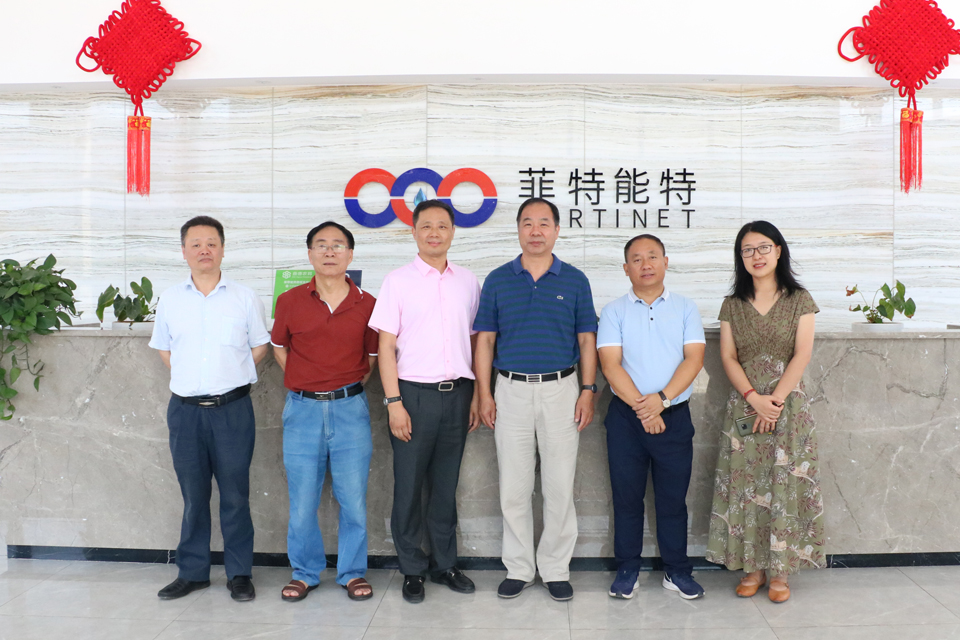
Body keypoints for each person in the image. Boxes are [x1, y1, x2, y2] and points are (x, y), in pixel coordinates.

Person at [474, 197, 598, 602]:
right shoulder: (498, 279)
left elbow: (586, 340)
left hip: (562, 389)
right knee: (514, 488)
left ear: (557, 230)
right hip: (509, 390)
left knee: (559, 486)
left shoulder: (575, 280)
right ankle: (520, 569)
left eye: (544, 223)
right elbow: (485, 340)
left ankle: (556, 569)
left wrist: (588, 390)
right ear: (518, 230)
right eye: (527, 223)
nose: (536, 231)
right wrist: (484, 393)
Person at [150, 216, 271, 602]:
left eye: (211, 243)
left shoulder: (244, 297)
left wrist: (230, 375)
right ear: (184, 251)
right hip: (185, 412)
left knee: (235, 494)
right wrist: (192, 380)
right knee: (193, 495)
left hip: (232, 410)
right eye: (196, 244)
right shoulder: (170, 299)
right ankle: (193, 572)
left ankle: (239, 573)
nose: (204, 250)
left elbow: (260, 346)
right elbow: (165, 350)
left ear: (222, 249)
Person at [705, 220, 825, 603]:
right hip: (745, 405)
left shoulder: (799, 299)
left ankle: (781, 571)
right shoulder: (732, 304)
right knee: (747, 485)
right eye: (747, 250)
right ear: (740, 258)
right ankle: (752, 568)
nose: (755, 256)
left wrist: (773, 403)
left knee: (782, 483)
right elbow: (727, 356)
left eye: (763, 247)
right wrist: (753, 397)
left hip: (787, 408)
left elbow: (802, 354)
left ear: (778, 251)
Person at [368, 199, 481, 604]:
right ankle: (412, 569)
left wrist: (477, 394)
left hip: (458, 394)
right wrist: (394, 402)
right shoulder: (397, 281)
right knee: (409, 486)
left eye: (442, 226)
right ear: (413, 232)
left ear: (453, 232)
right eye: (427, 226)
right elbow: (386, 346)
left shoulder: (468, 281)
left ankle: (445, 564)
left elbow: (475, 342)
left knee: (446, 486)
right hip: (412, 396)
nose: (435, 233)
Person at [271, 221, 378, 603]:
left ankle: (352, 572)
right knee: (302, 502)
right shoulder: (290, 301)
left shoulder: (368, 303)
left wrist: (344, 387)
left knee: (353, 500)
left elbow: (372, 356)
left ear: (350, 254)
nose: (329, 251)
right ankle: (304, 572)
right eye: (321, 245)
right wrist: (307, 381)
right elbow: (279, 348)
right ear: (310, 254)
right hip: (302, 411)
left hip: (350, 410)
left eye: (337, 245)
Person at [597, 234, 706, 601]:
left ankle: (677, 571)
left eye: (653, 256)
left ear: (666, 262)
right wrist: (645, 409)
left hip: (673, 417)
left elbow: (694, 359)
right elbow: (610, 365)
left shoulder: (686, 308)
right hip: (626, 420)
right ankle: (627, 568)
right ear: (626, 268)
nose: (645, 264)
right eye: (637, 259)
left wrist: (661, 400)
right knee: (626, 498)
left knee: (673, 501)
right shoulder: (613, 311)